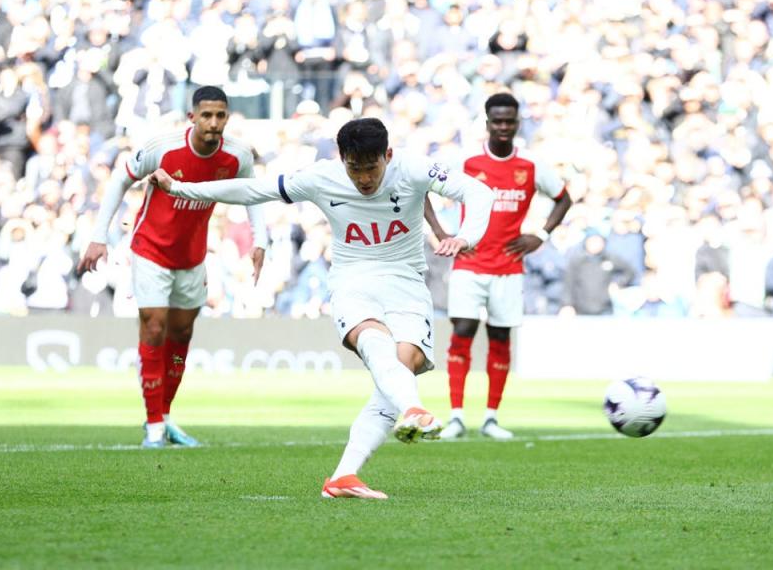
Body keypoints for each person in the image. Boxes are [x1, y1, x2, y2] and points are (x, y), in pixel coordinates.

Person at [149, 117, 493, 500]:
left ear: (388, 156)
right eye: (354, 168)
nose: (363, 179)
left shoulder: (413, 167)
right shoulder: (321, 176)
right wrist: (181, 187)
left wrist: (466, 236)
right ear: (341, 159)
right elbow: (253, 189)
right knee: (377, 347)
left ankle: (344, 476)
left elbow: (479, 193)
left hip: (407, 282)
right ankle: (414, 408)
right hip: (353, 280)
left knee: (400, 367)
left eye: (371, 168)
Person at [77, 86, 267, 448]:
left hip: (192, 256)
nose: (214, 123)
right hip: (150, 250)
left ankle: (164, 416)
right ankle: (153, 427)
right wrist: (98, 236)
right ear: (192, 117)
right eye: (207, 115)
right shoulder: (163, 148)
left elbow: (252, 194)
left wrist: (261, 240)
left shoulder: (237, 156)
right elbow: (120, 178)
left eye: (220, 115)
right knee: (154, 326)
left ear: (227, 118)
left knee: (180, 336)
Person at [425, 93, 571, 440]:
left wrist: (541, 235)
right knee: (462, 332)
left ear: (518, 123)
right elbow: (423, 189)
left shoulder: (531, 166)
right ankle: (457, 415)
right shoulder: (466, 161)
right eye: (497, 121)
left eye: (509, 121)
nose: (503, 127)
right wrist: (442, 233)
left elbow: (564, 198)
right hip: (469, 263)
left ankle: (491, 417)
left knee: (500, 337)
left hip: (508, 266)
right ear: (487, 123)